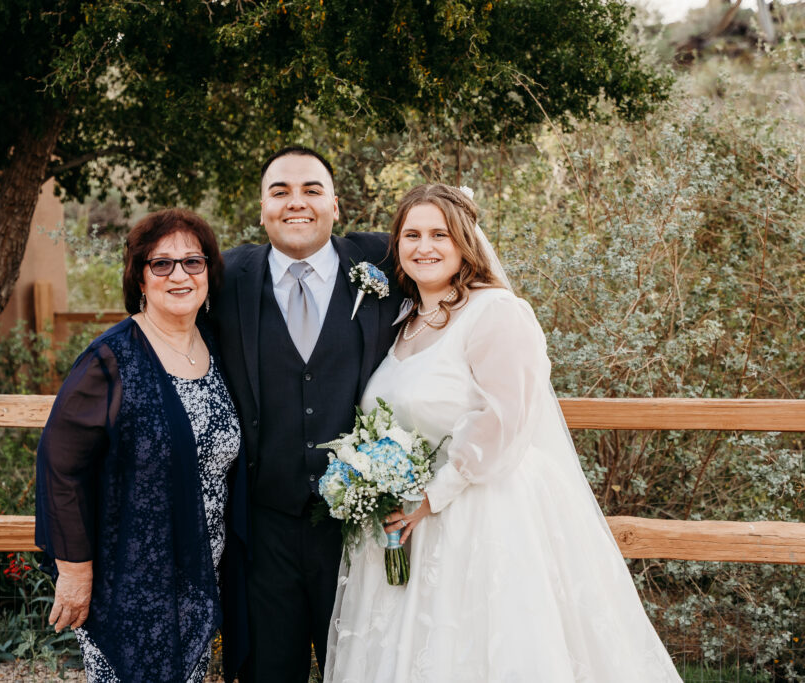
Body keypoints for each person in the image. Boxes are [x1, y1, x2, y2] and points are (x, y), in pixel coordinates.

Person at [324, 184, 682, 682]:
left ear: (465, 241)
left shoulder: (495, 312)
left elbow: (505, 415)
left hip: (480, 514)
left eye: (439, 234)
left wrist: (432, 494)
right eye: (411, 234)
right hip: (407, 522)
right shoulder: (404, 320)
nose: (424, 246)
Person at [212, 146, 404, 682]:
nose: (296, 203)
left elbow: (452, 253)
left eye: (312, 190)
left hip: (359, 529)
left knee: (367, 669)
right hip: (263, 524)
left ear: (336, 206)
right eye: (280, 192)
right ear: (261, 208)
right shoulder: (224, 276)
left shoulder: (385, 263)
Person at [34, 208, 248, 683]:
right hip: (128, 578)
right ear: (140, 277)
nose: (180, 275)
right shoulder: (111, 359)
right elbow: (60, 467)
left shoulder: (217, 349)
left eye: (193, 262)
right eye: (162, 264)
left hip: (197, 573)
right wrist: (74, 571)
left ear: (209, 273)